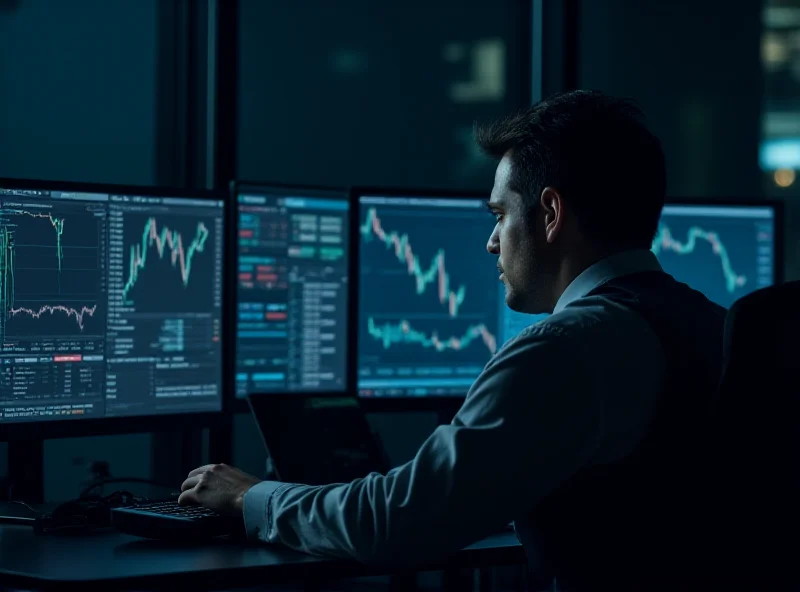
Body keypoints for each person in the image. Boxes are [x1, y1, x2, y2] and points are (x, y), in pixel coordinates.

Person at [180, 90, 726, 588]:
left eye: (500, 214)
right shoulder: (713, 322)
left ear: (551, 213)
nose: (492, 242)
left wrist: (250, 497)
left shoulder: (567, 349)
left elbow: (396, 522)